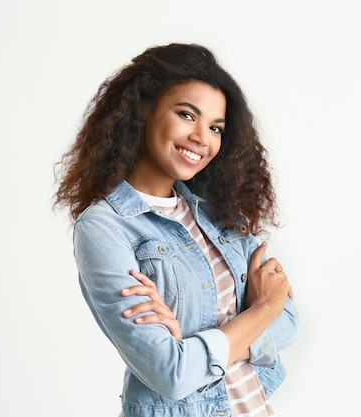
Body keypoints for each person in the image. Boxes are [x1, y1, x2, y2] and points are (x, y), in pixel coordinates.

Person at [54, 43, 298, 417]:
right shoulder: (105, 228)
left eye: (216, 127)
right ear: (143, 111)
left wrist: (190, 342)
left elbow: (289, 324)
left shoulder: (218, 213)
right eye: (187, 115)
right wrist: (263, 307)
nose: (203, 137)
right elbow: (171, 373)